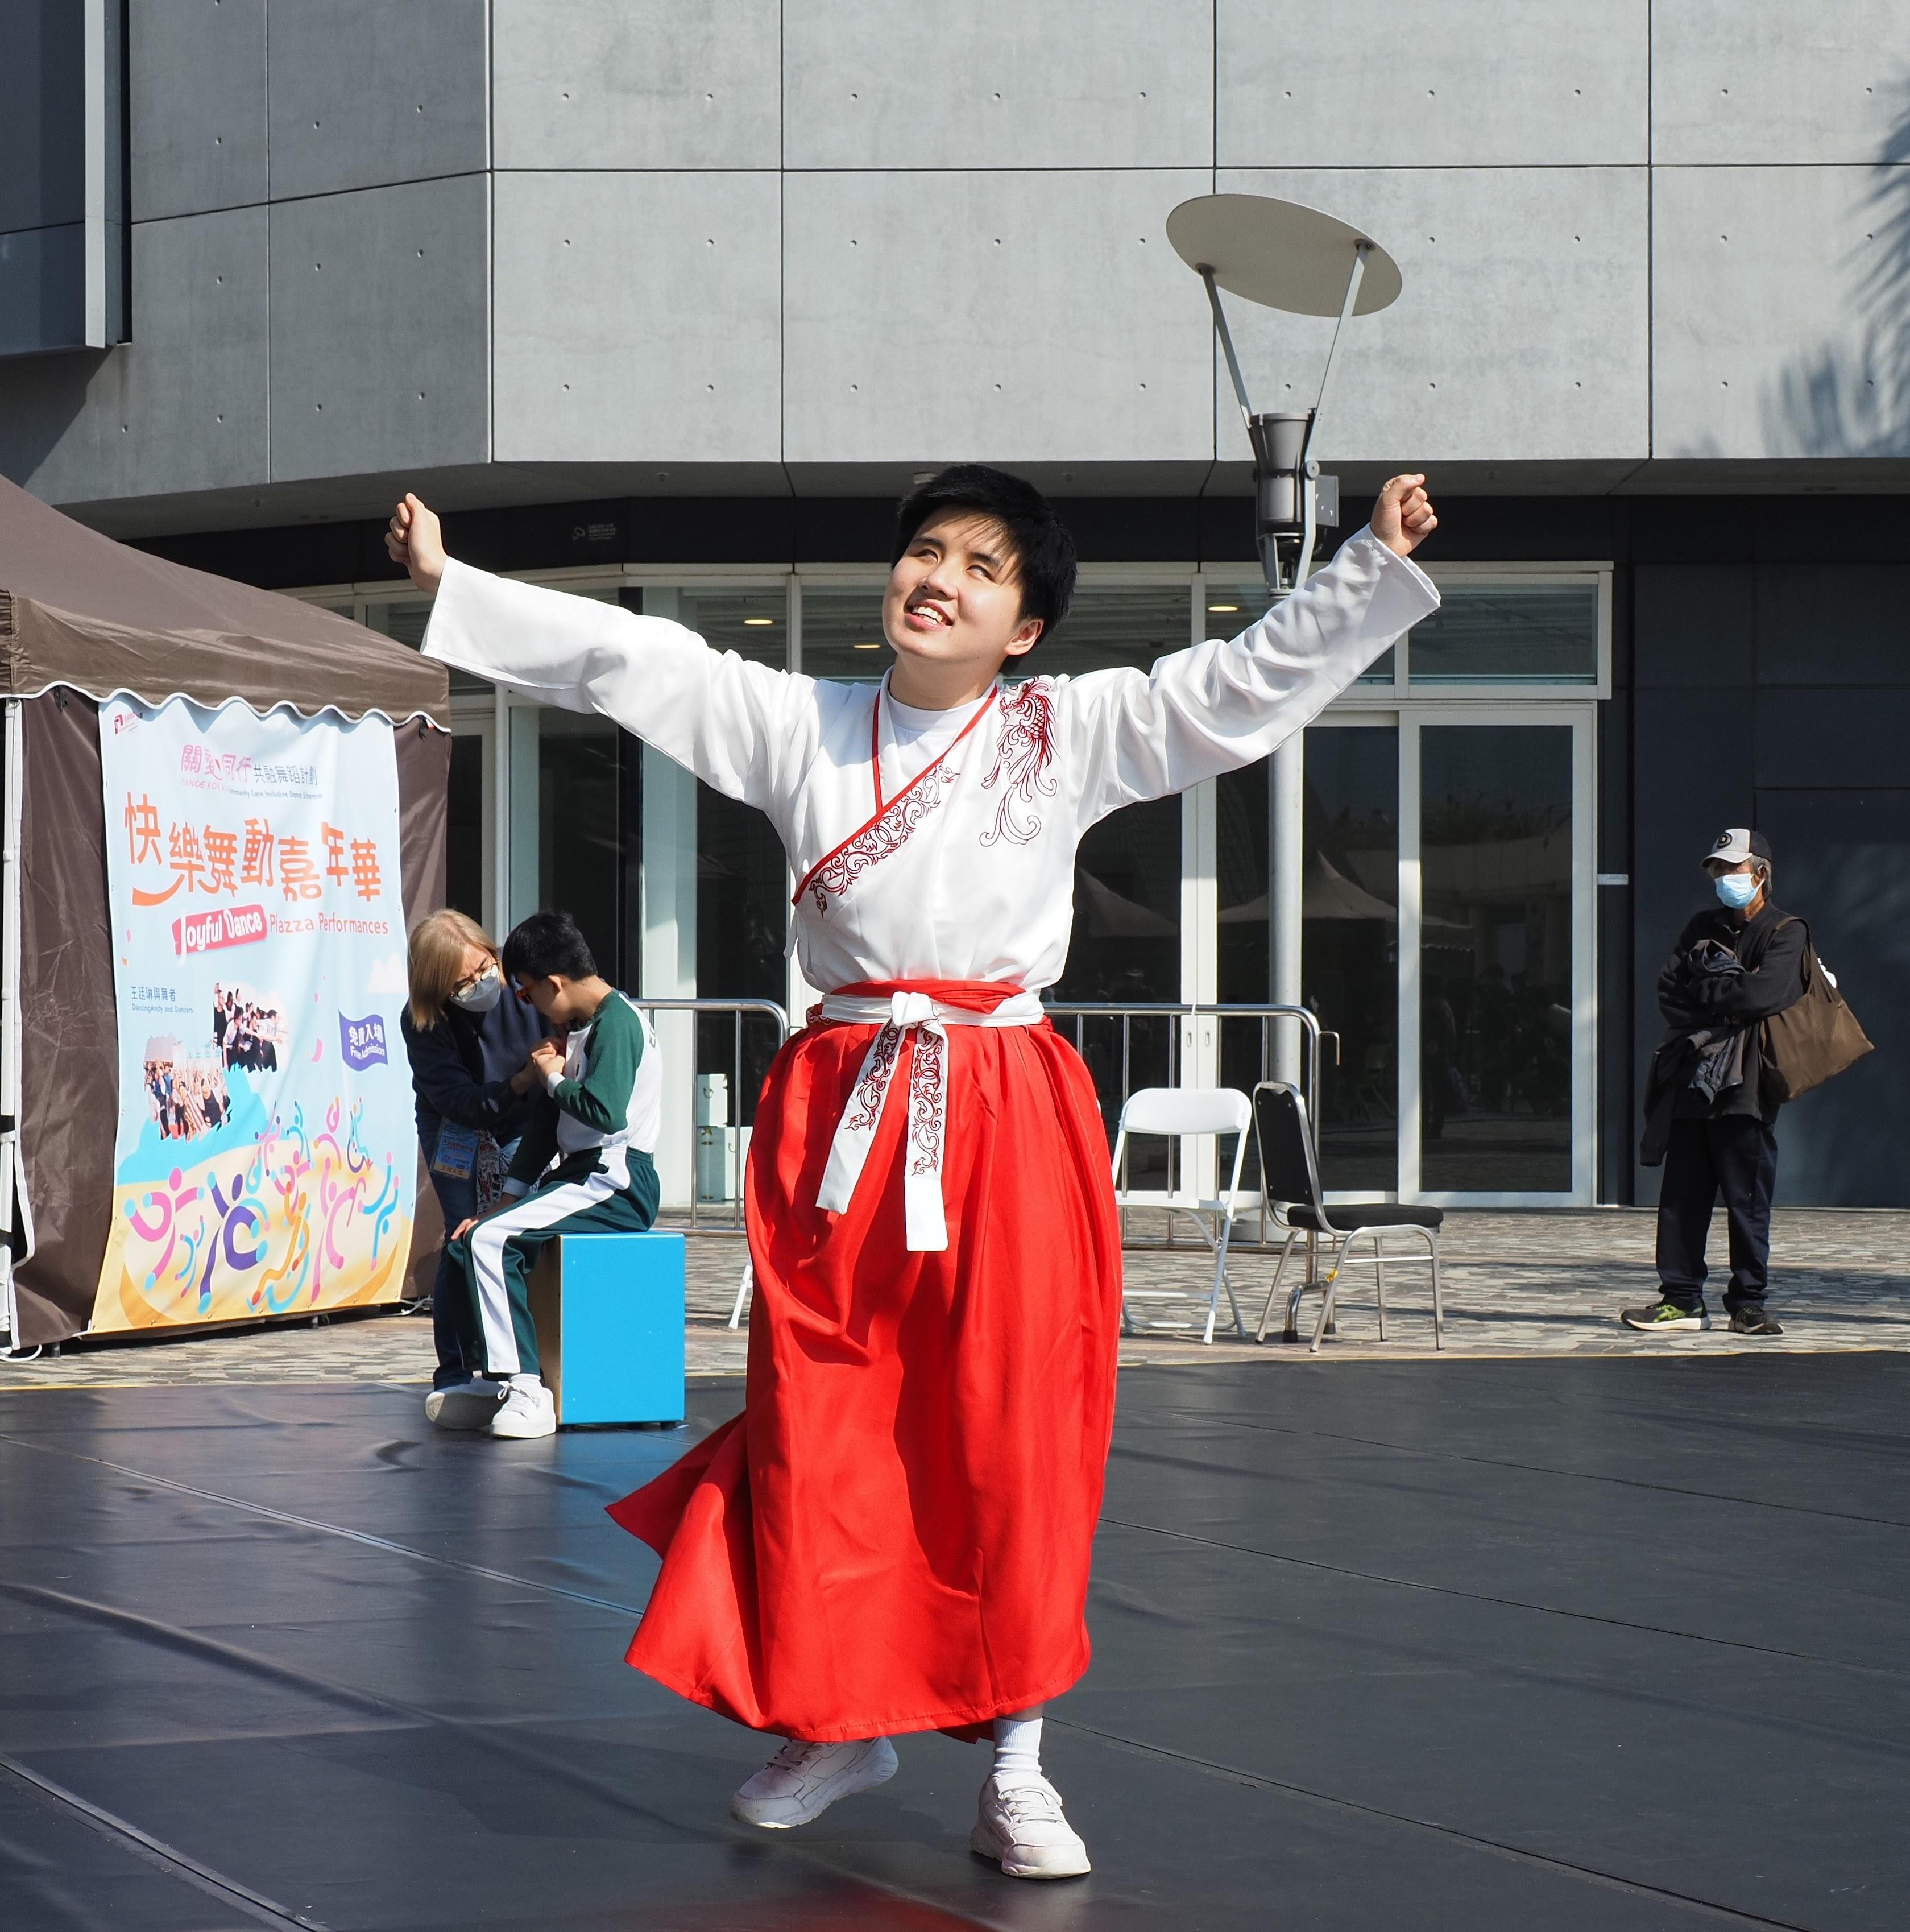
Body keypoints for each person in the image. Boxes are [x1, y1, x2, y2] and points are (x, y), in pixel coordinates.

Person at [389, 464, 1439, 1877]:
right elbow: (636, 660)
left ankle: (1017, 1767)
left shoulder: (1068, 729)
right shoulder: (801, 726)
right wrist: (458, 591)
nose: (937, 576)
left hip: (1004, 1103)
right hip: (843, 1114)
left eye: (980, 565)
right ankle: (839, 1713)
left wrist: (1364, 564)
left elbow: (1236, 685)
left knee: (1011, 1437)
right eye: (924, 550)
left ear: (1023, 625)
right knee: (827, 1422)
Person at [434, 909, 664, 1442]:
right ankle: (493, 1376)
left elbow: (606, 1113)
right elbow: (546, 1123)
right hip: (580, 1176)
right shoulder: (581, 1026)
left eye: (525, 993)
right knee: (470, 1237)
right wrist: (507, 1196)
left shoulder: (619, 1022)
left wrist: (552, 1076)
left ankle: (528, 1387)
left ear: (554, 984)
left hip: (617, 1180)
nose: (527, 1004)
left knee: (494, 1241)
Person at [1625, 828, 1806, 1338]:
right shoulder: (1701, 925)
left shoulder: (1786, 932)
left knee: (1747, 1200)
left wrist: (1709, 989)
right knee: (1682, 1198)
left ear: (1761, 873)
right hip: (1690, 1081)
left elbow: (1764, 995)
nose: (1725, 878)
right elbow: (1669, 989)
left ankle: (1748, 1303)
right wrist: (1727, 993)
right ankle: (1680, 1299)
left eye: (1734, 868)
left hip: (1745, 1086)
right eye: (1719, 870)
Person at [402, 909, 551, 1414]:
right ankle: (456, 1371)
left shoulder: (525, 987)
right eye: (463, 981)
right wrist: (521, 1082)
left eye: (484, 967)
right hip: (456, 1127)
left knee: (515, 1232)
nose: (480, 983)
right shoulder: (423, 1019)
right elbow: (459, 1101)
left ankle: (523, 1362)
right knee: (461, 1236)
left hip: (520, 1124)